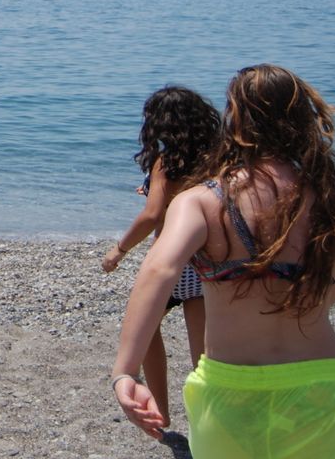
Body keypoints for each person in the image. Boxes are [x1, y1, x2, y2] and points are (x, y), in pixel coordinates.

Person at [110, 64, 335, 458]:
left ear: (237, 120)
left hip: (230, 391)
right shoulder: (332, 197)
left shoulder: (203, 200)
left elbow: (159, 270)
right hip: (323, 382)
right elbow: (330, 288)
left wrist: (125, 371)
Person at [102, 86, 221, 426]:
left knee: (148, 331)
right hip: (203, 261)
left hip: (170, 261)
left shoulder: (165, 162)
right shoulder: (217, 158)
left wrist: (119, 250)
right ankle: (206, 420)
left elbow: (153, 214)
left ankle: (163, 413)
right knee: (203, 353)